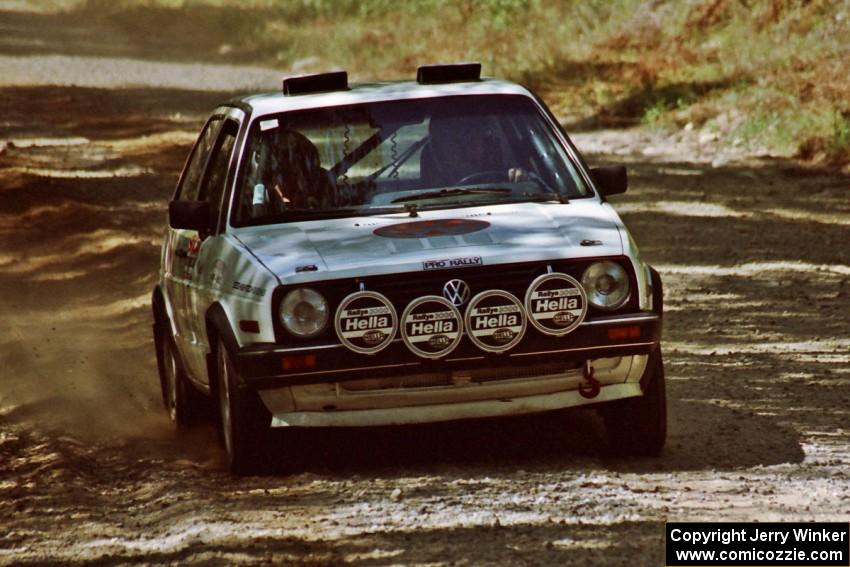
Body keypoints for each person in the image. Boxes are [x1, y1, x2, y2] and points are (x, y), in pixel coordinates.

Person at [420, 114, 527, 187]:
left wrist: (521, 179)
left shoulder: (506, 175)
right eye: (458, 140)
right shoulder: (425, 195)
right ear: (438, 153)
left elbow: (532, 190)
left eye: (476, 137)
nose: (469, 146)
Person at [266, 129, 335, 210]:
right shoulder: (272, 183)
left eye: (298, 156)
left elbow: (327, 211)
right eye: (286, 156)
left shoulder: (323, 181)